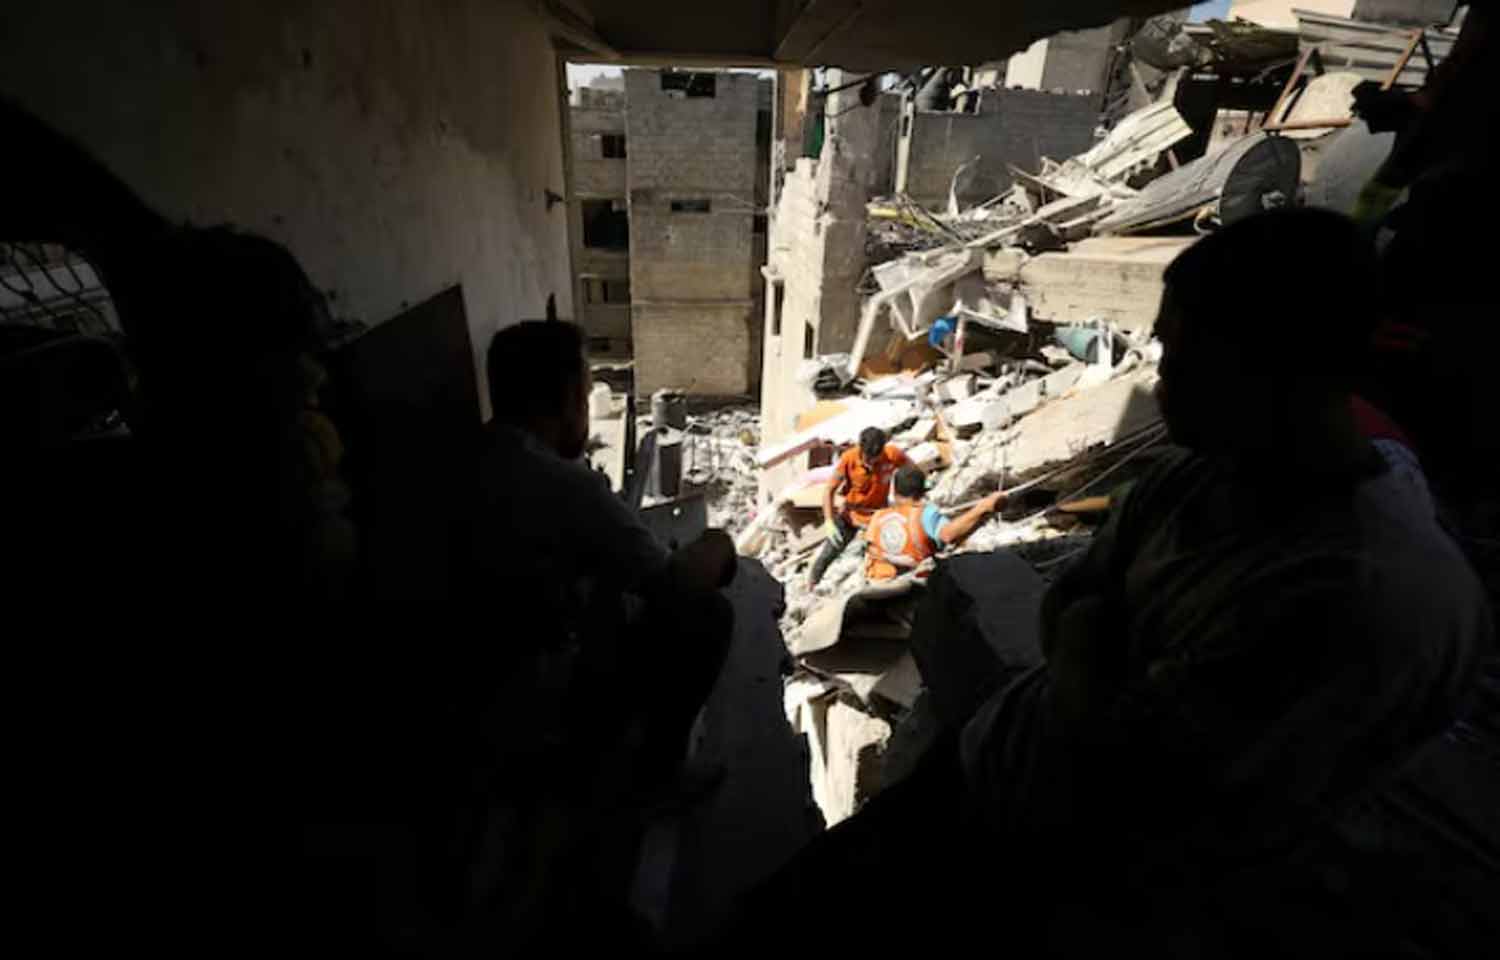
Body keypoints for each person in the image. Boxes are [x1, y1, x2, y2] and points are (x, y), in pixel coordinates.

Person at [717, 209, 1493, 956]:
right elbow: (1073, 609)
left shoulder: (1363, 594)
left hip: (1059, 876)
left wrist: (1097, 653)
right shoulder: (1195, 473)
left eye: (1191, 356)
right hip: (992, 766)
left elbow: (1149, 783)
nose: (1162, 384)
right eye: (1162, 349)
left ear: (1285, 366)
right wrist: (1099, 662)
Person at [475, 320, 736, 792]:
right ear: (563, 398)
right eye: (583, 391)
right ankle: (657, 778)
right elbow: (673, 584)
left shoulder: (476, 456)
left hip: (472, 694)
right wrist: (719, 546)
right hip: (538, 705)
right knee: (708, 614)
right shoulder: (563, 486)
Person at [808, 427, 912, 587]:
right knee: (830, 552)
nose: (871, 463)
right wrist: (829, 521)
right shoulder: (849, 459)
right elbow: (829, 490)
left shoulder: (892, 455)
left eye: (875, 459)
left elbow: (912, 471)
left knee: (888, 552)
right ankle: (812, 584)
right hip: (851, 514)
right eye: (867, 459)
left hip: (877, 516)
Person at [863, 465, 1005, 580]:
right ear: (922, 492)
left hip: (881, 581)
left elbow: (871, 548)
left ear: (895, 493)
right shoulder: (925, 514)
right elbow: (948, 535)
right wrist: (983, 508)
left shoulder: (877, 517)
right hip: (918, 585)